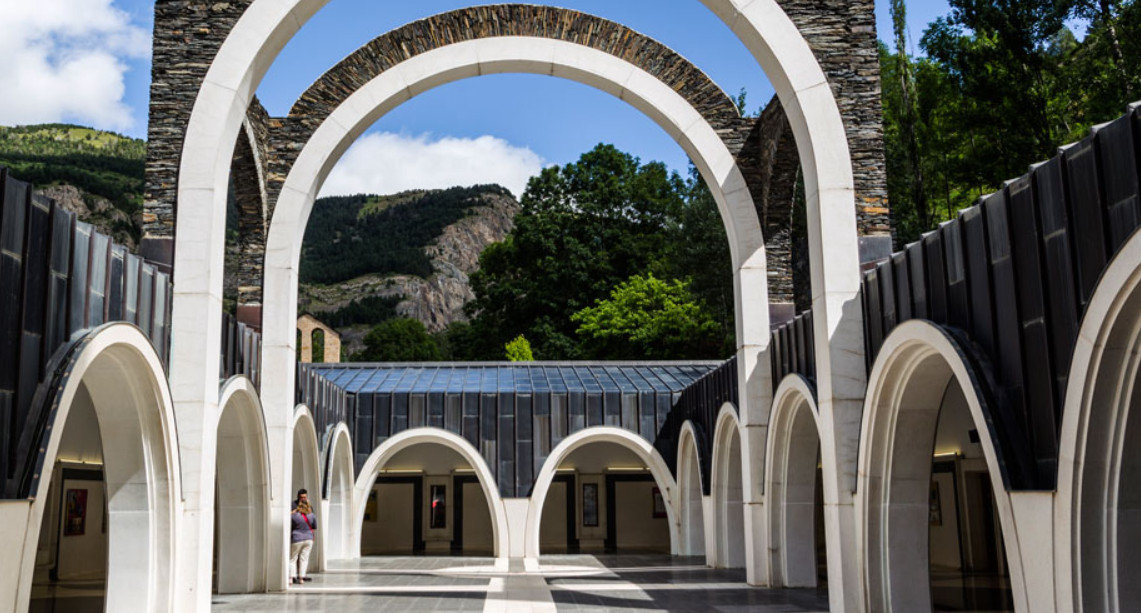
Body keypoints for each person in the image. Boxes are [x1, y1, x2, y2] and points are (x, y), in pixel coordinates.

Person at [289, 498, 317, 584]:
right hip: (308, 539)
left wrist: (292, 512)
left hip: (297, 538)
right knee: (304, 559)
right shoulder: (312, 516)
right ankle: (301, 578)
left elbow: (289, 522)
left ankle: (291, 578)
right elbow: (314, 527)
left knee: (293, 558)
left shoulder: (294, 516)